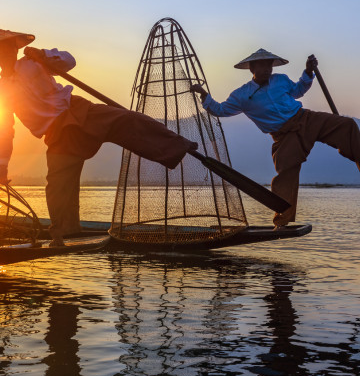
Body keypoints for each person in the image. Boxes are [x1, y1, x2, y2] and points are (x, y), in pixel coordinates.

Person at [0, 29, 198, 245]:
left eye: (9, 49)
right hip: (58, 133)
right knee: (58, 185)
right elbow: (5, 131)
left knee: (128, 120)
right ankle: (64, 233)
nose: (6, 54)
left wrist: (44, 55)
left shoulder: (31, 63)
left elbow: (69, 61)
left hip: (78, 111)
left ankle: (179, 146)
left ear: (15, 50)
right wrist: (2, 167)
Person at [191, 48, 360, 227]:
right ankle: (282, 222)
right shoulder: (242, 95)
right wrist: (204, 95)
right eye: (262, 65)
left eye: (269, 65)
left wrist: (309, 71)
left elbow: (298, 90)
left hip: (306, 119)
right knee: (286, 174)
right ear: (252, 69)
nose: (267, 69)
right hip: (285, 136)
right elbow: (220, 110)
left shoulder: (281, 80)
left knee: (347, 126)